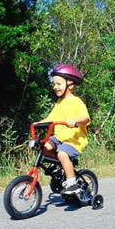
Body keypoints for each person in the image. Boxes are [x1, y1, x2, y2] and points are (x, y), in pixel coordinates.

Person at [35, 64, 90, 195]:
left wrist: (75, 120)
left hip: (74, 141)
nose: (55, 87)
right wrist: (37, 124)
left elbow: (85, 118)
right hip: (59, 138)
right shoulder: (59, 103)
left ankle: (72, 182)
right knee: (42, 145)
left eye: (58, 84)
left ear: (70, 84)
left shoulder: (77, 102)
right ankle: (59, 166)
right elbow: (51, 118)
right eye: (54, 84)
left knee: (62, 153)